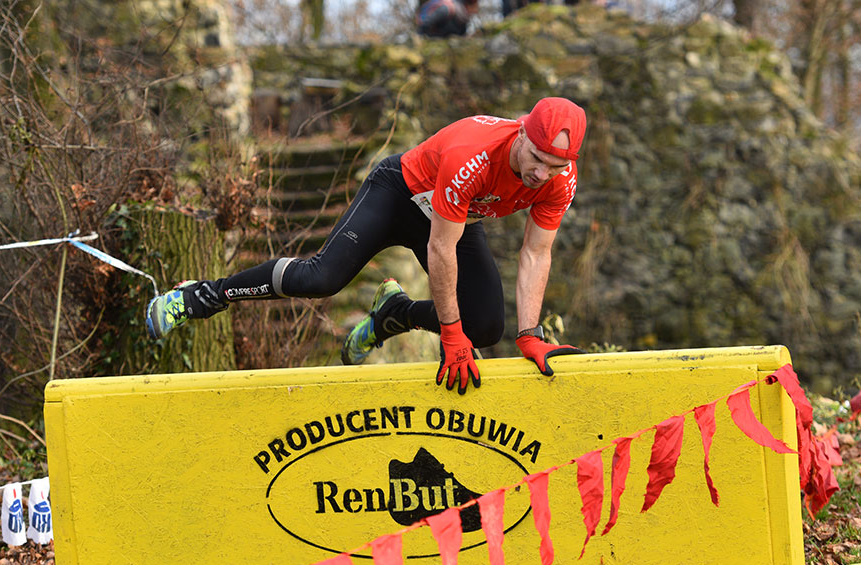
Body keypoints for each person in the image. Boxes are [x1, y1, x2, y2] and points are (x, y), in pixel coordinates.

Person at [145, 97, 587, 394]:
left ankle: (392, 315)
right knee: (322, 278)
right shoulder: (473, 156)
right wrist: (450, 333)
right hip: (399, 195)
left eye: (555, 166)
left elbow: (536, 252)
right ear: (523, 134)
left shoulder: (558, 180)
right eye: (537, 160)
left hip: (454, 217)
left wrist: (530, 336)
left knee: (487, 328)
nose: (541, 174)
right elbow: (440, 249)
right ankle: (203, 295)